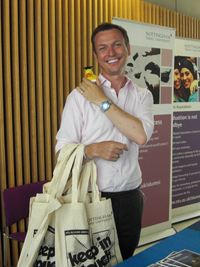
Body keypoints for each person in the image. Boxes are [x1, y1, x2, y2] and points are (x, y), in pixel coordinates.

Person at [55, 22, 154, 260]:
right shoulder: (78, 98)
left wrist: (101, 100)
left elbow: (140, 135)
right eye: (103, 48)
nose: (111, 53)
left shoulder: (142, 95)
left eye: (117, 45)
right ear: (96, 55)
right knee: (92, 263)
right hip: (90, 199)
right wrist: (94, 149)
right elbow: (60, 156)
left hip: (130, 199)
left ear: (128, 48)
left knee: (127, 259)